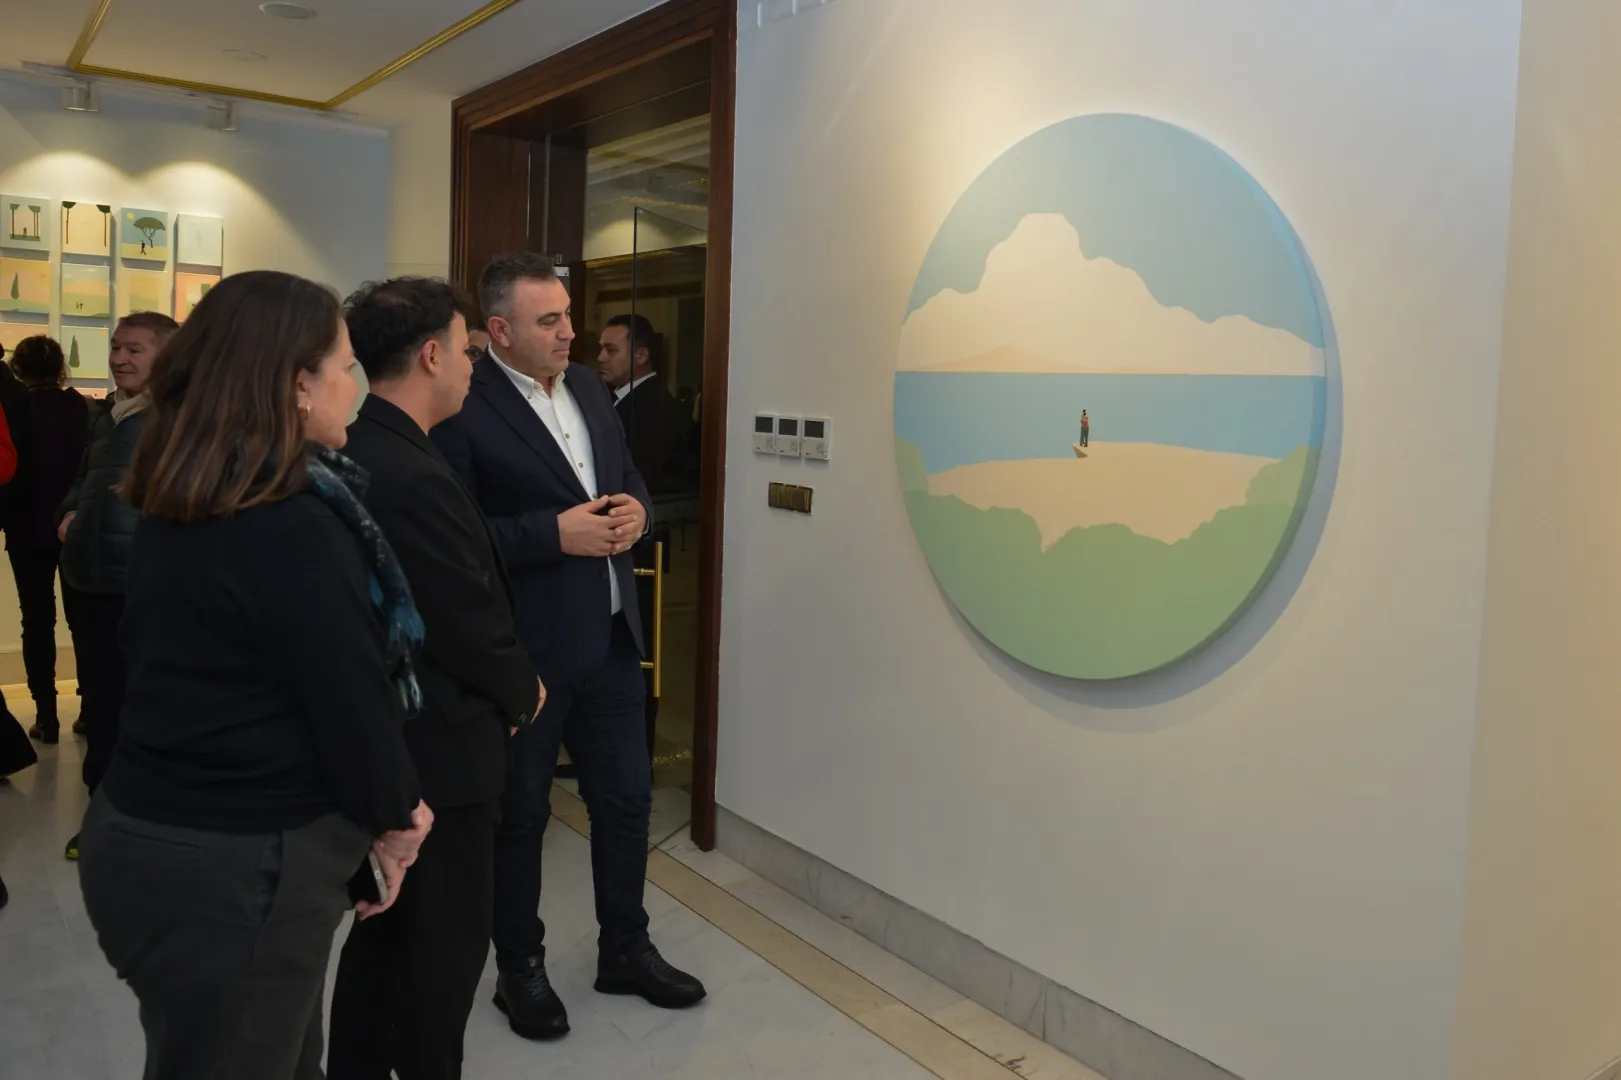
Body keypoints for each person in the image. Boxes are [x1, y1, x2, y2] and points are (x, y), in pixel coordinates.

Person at [77, 270, 433, 1080]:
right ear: (297, 386)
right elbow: (348, 699)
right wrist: (397, 815)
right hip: (233, 865)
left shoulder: (192, 494)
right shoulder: (291, 522)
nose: (355, 387)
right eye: (344, 367)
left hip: (154, 836)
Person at [434, 252, 706, 1043]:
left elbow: (627, 476)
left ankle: (625, 948)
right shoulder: (465, 405)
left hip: (614, 638)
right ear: (499, 330)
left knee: (624, 802)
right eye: (548, 320)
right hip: (528, 652)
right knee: (521, 817)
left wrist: (637, 513)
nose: (568, 332)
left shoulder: (588, 388)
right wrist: (551, 535)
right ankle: (518, 968)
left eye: (567, 316)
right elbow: (454, 536)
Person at [330, 277, 545, 1079]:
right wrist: (522, 689)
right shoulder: (404, 470)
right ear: (429, 355)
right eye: (465, 350)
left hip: (411, 744)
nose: (470, 367)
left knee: (388, 941)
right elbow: (459, 615)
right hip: (440, 756)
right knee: (438, 957)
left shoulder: (377, 445)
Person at [57, 312, 176, 861]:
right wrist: (68, 514)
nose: (119, 358)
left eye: (135, 349)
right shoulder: (107, 415)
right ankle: (102, 820)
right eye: (115, 347)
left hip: (143, 587)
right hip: (89, 580)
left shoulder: (176, 418)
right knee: (101, 706)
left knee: (143, 710)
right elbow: (83, 479)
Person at [5, 336, 89, 745]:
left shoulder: (16, 408)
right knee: (83, 620)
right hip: (76, 527)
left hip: (26, 528)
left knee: (36, 621)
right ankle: (90, 709)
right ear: (60, 368)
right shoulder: (80, 408)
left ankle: (46, 715)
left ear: (18, 369)